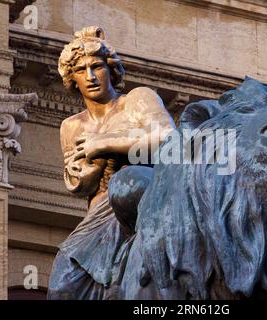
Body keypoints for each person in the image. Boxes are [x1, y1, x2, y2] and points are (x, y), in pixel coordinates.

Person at [47, 26, 175, 299]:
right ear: (73, 78)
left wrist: (104, 143)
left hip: (142, 198)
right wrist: (86, 171)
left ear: (111, 68)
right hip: (99, 217)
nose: (91, 76)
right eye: (81, 70)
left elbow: (167, 138)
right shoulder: (71, 126)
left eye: (97, 66)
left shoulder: (137, 100)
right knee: (62, 284)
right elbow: (80, 185)